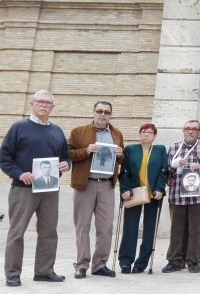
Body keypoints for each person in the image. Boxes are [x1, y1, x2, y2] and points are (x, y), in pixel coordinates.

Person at [1, 90, 71, 287]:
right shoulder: (19, 128)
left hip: (49, 189)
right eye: (40, 101)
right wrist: (19, 173)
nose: (44, 105)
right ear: (32, 104)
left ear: (52, 107)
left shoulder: (57, 131)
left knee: (49, 231)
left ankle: (44, 271)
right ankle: (13, 274)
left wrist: (67, 165)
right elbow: (5, 158)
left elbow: (65, 157)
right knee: (17, 231)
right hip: (23, 188)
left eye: (48, 102)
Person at [68, 101, 125, 279]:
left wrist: (121, 155)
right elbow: (68, 154)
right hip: (85, 184)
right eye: (99, 111)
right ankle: (82, 264)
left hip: (107, 185)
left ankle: (100, 264)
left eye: (106, 112)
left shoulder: (116, 134)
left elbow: (121, 160)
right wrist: (86, 150)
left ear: (110, 115)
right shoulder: (79, 132)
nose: (103, 114)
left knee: (105, 227)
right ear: (93, 112)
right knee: (82, 226)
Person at [162, 120, 200, 274]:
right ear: (183, 131)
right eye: (187, 128)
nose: (190, 131)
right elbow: (165, 170)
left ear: (199, 132)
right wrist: (173, 166)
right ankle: (174, 261)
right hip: (177, 194)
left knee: (196, 229)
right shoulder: (174, 148)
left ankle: (193, 261)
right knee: (176, 229)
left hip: (198, 196)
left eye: (194, 129)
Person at [117, 123, 168, 274]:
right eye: (143, 132)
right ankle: (125, 261)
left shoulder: (160, 150)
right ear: (139, 135)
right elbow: (124, 171)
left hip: (154, 194)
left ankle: (142, 263)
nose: (146, 134)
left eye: (150, 132)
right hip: (134, 193)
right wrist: (125, 189)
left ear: (155, 136)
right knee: (130, 228)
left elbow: (163, 171)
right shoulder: (131, 149)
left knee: (150, 229)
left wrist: (160, 188)